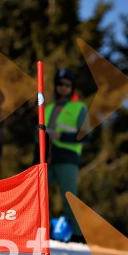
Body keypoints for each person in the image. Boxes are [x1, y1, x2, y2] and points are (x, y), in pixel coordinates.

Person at [44, 68, 88, 241]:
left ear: (72, 87)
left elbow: (85, 135)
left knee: (69, 197)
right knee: (40, 196)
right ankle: (41, 229)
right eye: (60, 84)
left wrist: (61, 136)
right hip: (46, 158)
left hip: (67, 158)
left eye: (67, 85)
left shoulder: (79, 108)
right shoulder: (48, 109)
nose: (63, 88)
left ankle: (77, 236)